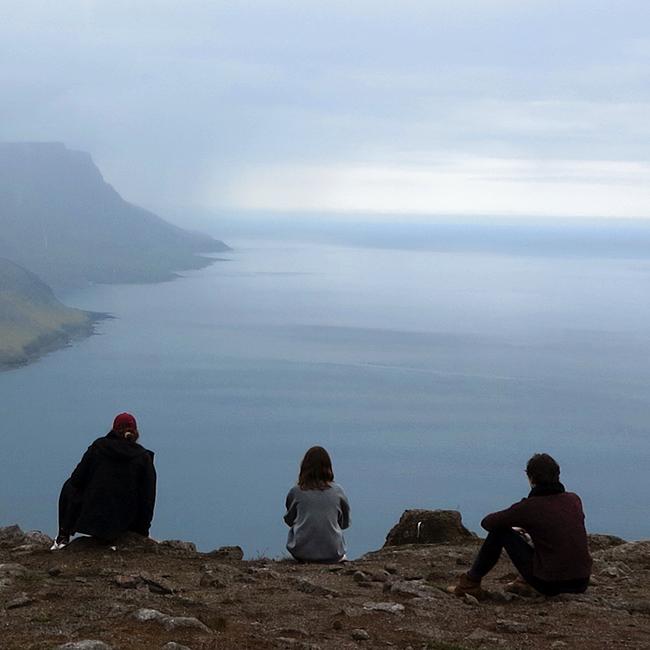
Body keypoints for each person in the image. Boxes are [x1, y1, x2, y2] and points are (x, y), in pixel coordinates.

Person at [448, 453, 592, 598]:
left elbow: (488, 523)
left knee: (500, 531)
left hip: (551, 584)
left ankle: (470, 584)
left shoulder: (529, 507)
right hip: (581, 582)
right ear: (557, 475)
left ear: (530, 478)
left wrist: (519, 526)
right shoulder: (574, 500)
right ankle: (524, 583)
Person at [54, 412, 156, 547]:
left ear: (113, 429)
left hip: (93, 520)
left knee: (69, 486)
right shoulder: (144, 457)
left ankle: (63, 536)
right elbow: (148, 499)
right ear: (135, 432)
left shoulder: (98, 447)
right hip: (127, 524)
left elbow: (77, 479)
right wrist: (142, 532)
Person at [284, 446, 350, 563]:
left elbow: (290, 520)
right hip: (334, 553)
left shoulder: (296, 491)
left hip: (301, 553)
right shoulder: (338, 491)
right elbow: (344, 524)